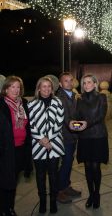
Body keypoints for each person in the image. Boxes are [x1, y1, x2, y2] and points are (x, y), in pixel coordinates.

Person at [69, 74, 108, 210]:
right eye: (84, 83)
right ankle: (91, 194)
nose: (86, 85)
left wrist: (86, 123)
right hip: (85, 137)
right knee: (87, 167)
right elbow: (76, 116)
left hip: (98, 136)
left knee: (95, 167)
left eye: (89, 82)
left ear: (95, 84)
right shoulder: (79, 99)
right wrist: (74, 123)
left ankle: (96, 194)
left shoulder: (101, 97)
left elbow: (101, 116)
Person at [28, 76, 65, 214]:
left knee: (54, 175)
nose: (47, 89)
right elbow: (30, 124)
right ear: (39, 88)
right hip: (38, 146)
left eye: (49, 86)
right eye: (44, 86)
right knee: (40, 176)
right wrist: (41, 139)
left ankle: (53, 201)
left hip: (54, 144)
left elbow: (59, 121)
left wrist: (48, 139)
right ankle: (43, 201)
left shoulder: (58, 102)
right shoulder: (31, 104)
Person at [0, 76, 32, 216]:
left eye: (18, 87)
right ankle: (3, 209)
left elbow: (28, 126)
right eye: (12, 86)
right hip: (5, 150)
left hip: (21, 149)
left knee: (14, 181)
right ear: (6, 89)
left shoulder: (23, 103)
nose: (15, 89)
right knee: (4, 181)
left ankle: (10, 208)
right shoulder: (1, 104)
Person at [56, 72, 81, 204]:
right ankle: (59, 190)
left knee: (69, 162)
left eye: (71, 80)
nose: (69, 83)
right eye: (66, 81)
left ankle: (66, 186)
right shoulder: (60, 98)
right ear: (60, 84)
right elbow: (68, 121)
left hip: (72, 136)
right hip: (65, 137)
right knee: (65, 163)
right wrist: (83, 127)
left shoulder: (72, 96)